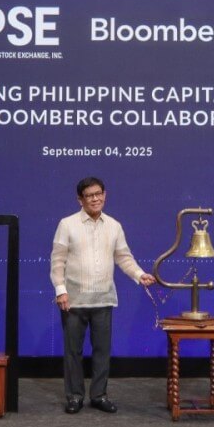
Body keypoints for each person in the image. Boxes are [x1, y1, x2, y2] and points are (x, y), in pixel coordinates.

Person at [50, 176, 156, 414]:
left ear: (105, 195)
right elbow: (57, 261)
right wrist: (61, 290)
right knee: (73, 352)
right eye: (89, 195)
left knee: (101, 351)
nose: (95, 199)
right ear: (80, 200)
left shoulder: (114, 225)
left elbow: (123, 257)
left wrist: (139, 275)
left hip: (104, 298)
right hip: (73, 300)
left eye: (99, 194)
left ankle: (99, 395)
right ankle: (75, 396)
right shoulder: (67, 224)